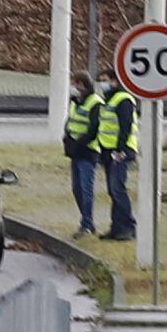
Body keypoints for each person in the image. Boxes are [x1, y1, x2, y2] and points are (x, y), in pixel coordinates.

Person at [97, 68, 139, 241]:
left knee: (118, 189)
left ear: (115, 81)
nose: (102, 83)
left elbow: (125, 127)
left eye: (105, 80)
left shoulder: (123, 100)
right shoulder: (109, 99)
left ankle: (128, 228)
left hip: (120, 152)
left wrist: (119, 150)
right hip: (108, 150)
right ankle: (116, 228)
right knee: (113, 191)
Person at [63, 71, 103, 239]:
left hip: (88, 151)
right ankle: (87, 221)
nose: (74, 87)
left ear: (84, 85)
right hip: (75, 151)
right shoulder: (75, 102)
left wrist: (78, 143)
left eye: (77, 84)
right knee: (77, 189)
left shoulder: (95, 103)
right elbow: (70, 122)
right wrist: (67, 139)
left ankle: (87, 224)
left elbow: (93, 129)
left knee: (86, 189)